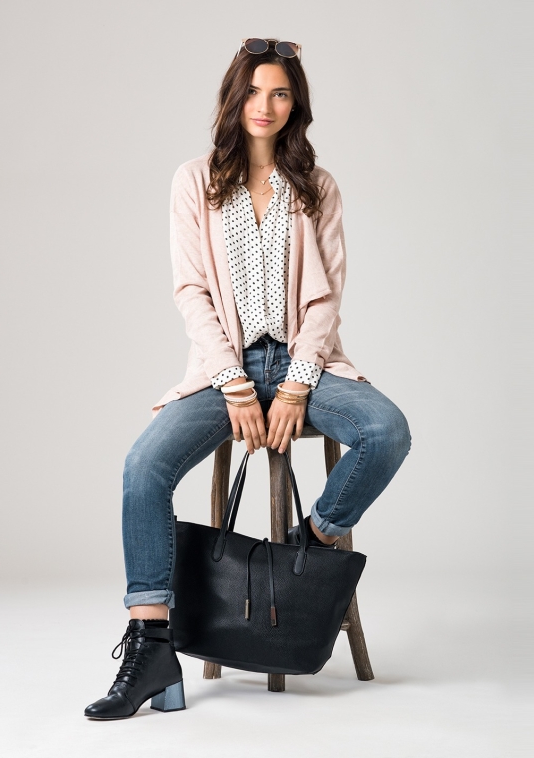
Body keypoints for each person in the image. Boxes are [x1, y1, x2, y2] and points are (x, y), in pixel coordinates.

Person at [84, 38, 411, 720]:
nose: (266, 105)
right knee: (143, 468)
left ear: (296, 105)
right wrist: (235, 384)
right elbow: (191, 291)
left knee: (386, 431)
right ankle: (150, 646)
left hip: (303, 365)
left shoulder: (317, 187)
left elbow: (326, 299)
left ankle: (305, 544)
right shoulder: (195, 181)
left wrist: (295, 386)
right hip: (222, 371)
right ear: (235, 99)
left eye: (281, 93)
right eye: (255, 91)